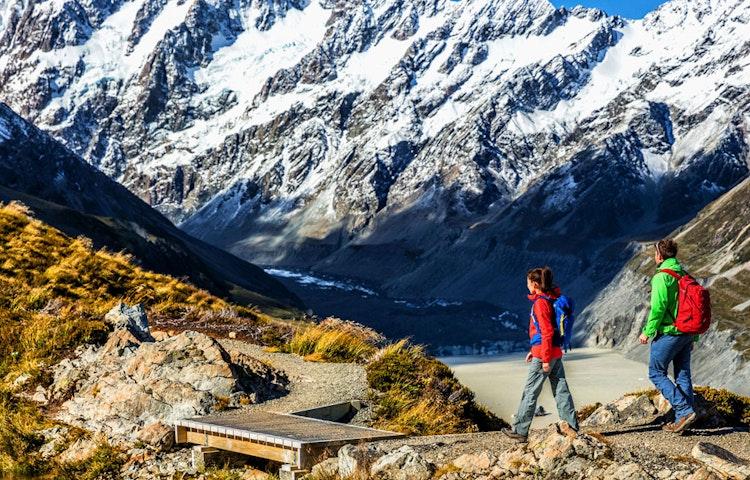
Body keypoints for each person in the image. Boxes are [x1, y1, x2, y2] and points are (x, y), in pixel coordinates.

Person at [502, 267, 578, 442]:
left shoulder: (540, 303)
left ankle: (520, 430)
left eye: (528, 282)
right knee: (561, 389)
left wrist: (543, 357)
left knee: (530, 391)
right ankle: (571, 426)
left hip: (545, 354)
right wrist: (534, 350)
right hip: (555, 351)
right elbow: (546, 331)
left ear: (535, 284)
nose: (527, 285)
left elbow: (546, 331)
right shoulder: (552, 298)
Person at [638, 239, 697, 434]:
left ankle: (684, 410)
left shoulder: (662, 277)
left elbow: (658, 308)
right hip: (687, 332)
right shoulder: (683, 274)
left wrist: (648, 332)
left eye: (655, 253)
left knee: (656, 372)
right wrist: (694, 337)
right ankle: (684, 419)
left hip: (670, 332)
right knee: (682, 374)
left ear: (660, 256)